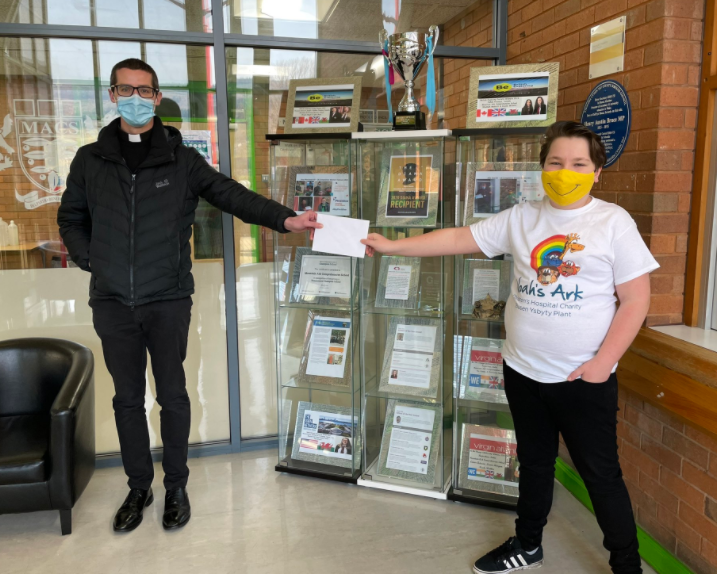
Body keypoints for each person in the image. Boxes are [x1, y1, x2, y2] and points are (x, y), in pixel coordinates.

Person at [362, 121, 658, 574]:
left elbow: (636, 299)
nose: (565, 172)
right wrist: (392, 246)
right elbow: (462, 238)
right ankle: (528, 543)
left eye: (578, 164)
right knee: (534, 463)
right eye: (556, 163)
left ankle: (626, 564)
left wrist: (603, 363)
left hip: (582, 379)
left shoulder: (613, 223)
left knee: (600, 475)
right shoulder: (523, 217)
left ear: (597, 172)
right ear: (542, 168)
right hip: (522, 371)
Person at [57, 58, 321, 534]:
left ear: (158, 98)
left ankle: (176, 485)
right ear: (112, 94)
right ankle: (139, 486)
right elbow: (70, 219)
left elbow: (232, 195)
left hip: (168, 299)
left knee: (174, 396)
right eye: (125, 89)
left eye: (145, 91)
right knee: (127, 400)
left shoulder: (181, 159)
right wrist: (89, 259)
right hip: (112, 302)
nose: (135, 98)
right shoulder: (89, 159)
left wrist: (287, 219)